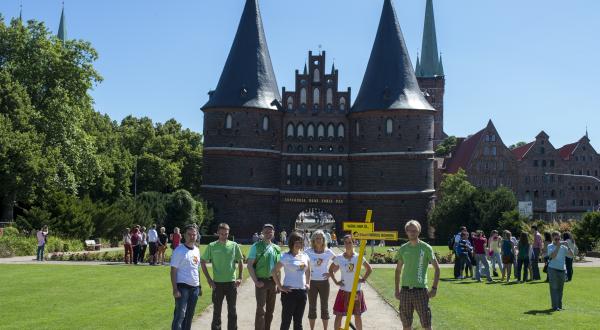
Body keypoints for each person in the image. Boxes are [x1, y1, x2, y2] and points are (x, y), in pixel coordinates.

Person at [395, 220, 440, 330]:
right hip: (405, 291)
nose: (412, 232)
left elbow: (437, 269)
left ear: (419, 231)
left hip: (421, 292)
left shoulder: (426, 248)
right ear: (406, 232)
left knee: (426, 324)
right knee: (406, 325)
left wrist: (434, 288)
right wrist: (397, 290)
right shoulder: (403, 248)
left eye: (414, 230)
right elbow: (398, 270)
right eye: (410, 230)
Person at [201, 223, 244, 330]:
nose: (224, 236)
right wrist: (209, 279)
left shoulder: (234, 245)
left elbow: (241, 261)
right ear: (218, 233)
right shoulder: (212, 246)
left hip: (231, 283)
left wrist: (240, 277)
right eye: (222, 234)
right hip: (217, 284)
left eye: (226, 234)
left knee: (232, 311)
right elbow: (202, 261)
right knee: (216, 312)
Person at [329, 234, 372, 330]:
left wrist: (363, 279)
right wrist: (336, 282)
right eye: (346, 242)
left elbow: (369, 269)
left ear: (354, 243)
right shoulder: (339, 257)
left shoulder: (358, 257)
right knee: (339, 315)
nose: (348, 244)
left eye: (350, 242)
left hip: (356, 291)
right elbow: (330, 270)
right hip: (344, 290)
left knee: (357, 316)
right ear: (343, 244)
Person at [272, 231, 311, 330]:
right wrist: (280, 286)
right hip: (289, 293)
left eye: (300, 242)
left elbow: (308, 270)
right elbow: (274, 271)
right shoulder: (285, 256)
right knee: (286, 321)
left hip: (302, 292)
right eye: (296, 242)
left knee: (298, 322)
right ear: (291, 243)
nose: (298, 244)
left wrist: (308, 283)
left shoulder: (305, 256)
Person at [247, 224, 282, 330]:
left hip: (273, 281)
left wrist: (278, 284)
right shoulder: (256, 246)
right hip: (261, 281)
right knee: (260, 310)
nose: (268, 233)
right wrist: (256, 281)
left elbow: (278, 269)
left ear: (273, 233)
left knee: (270, 310)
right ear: (262, 233)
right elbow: (249, 265)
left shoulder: (277, 248)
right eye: (266, 231)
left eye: (270, 232)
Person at [170, 224, 202, 330]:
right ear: (184, 235)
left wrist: (199, 286)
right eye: (190, 234)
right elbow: (173, 271)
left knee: (189, 316)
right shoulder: (179, 250)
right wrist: (175, 289)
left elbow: (197, 269)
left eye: (194, 234)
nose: (192, 236)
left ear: (197, 236)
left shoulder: (197, 250)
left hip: (195, 288)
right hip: (182, 287)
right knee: (180, 315)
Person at [305, 230, 336, 330]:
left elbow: (339, 262)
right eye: (316, 238)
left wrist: (331, 273)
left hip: (324, 282)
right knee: (312, 307)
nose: (318, 240)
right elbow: (300, 261)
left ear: (324, 240)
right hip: (312, 282)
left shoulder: (328, 251)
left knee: (324, 307)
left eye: (320, 238)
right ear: (313, 240)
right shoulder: (308, 251)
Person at [547, 231, 574, 311]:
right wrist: (558, 246)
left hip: (562, 269)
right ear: (552, 238)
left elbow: (571, 255)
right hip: (552, 269)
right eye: (556, 239)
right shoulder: (550, 246)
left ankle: (559, 306)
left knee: (560, 289)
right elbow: (553, 256)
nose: (558, 240)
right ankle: (555, 306)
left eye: (559, 239)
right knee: (554, 288)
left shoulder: (563, 247)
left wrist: (568, 246)